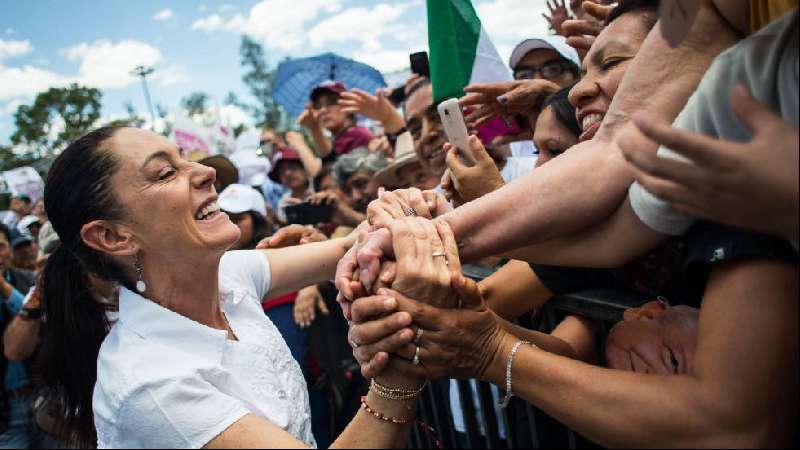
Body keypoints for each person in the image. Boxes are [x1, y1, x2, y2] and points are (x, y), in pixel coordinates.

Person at [37, 126, 425, 449]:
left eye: (185, 157)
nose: (206, 172)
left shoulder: (229, 275)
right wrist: (399, 371)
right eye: (164, 173)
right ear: (112, 236)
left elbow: (348, 246)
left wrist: (408, 207)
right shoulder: (150, 383)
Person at [344, 0, 742, 285]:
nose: (577, 92)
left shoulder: (747, 177)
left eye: (611, 63)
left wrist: (489, 350)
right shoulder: (668, 178)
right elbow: (609, 233)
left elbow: (719, 400)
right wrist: (417, 236)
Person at [348, 213, 798, 447]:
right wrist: (401, 298)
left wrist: (490, 349)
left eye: (677, 363)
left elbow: (728, 429)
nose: (584, 87)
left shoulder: (743, 214)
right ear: (642, 312)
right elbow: (557, 349)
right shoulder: (597, 243)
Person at [0, 223, 37, 449]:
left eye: (1, 246)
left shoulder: (28, 280)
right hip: (5, 415)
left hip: (44, 401)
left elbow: (43, 323)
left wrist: (4, 289)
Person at [297, 81, 374, 168]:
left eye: (331, 102)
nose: (323, 110)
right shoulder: (338, 138)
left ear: (348, 105)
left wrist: (314, 129)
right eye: (317, 106)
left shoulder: (357, 135)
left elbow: (332, 173)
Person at [218, 184, 274, 251]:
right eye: (222, 219)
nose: (228, 226)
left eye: (237, 219)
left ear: (258, 223)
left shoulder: (273, 256)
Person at [269, 147, 313, 225]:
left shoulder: (318, 190)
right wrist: (277, 220)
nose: (287, 174)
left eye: (293, 167)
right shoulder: (284, 201)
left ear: (305, 168)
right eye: (282, 171)